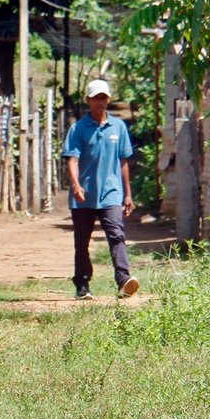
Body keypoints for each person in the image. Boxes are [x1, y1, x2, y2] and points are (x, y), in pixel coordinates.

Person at [60, 79, 140, 300]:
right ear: (88, 100)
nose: (100, 102)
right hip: (83, 195)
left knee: (116, 234)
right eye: (96, 98)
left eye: (103, 97)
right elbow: (72, 159)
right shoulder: (78, 129)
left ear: (108, 100)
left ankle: (123, 280)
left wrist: (127, 194)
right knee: (82, 241)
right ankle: (82, 285)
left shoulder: (118, 127)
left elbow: (123, 161)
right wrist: (75, 184)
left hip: (110, 193)